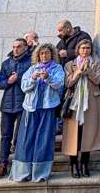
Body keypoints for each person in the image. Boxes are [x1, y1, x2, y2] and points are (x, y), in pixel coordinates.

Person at [11, 44, 64, 183]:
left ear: (52, 54)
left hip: (48, 107)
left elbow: (59, 85)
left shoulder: (57, 68)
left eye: (47, 53)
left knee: (44, 139)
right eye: (41, 54)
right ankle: (23, 172)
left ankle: (40, 173)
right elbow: (24, 87)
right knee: (26, 139)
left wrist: (48, 78)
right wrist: (33, 78)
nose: (44, 56)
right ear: (38, 55)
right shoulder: (32, 69)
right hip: (31, 108)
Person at [0, 32, 37, 178]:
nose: (16, 49)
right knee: (5, 135)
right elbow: (0, 83)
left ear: (25, 47)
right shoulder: (6, 63)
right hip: (7, 103)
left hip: (23, 102)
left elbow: (32, 81)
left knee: (20, 135)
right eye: (14, 47)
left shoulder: (31, 61)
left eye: (19, 47)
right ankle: (2, 163)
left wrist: (17, 80)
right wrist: (9, 81)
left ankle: (19, 164)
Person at [62, 39, 100, 177]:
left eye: (88, 48)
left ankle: (85, 163)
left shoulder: (96, 63)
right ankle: (73, 164)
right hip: (74, 103)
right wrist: (78, 72)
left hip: (91, 102)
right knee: (74, 133)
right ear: (78, 50)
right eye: (83, 48)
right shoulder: (70, 64)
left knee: (88, 133)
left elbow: (98, 80)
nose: (85, 51)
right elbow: (68, 83)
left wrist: (89, 71)